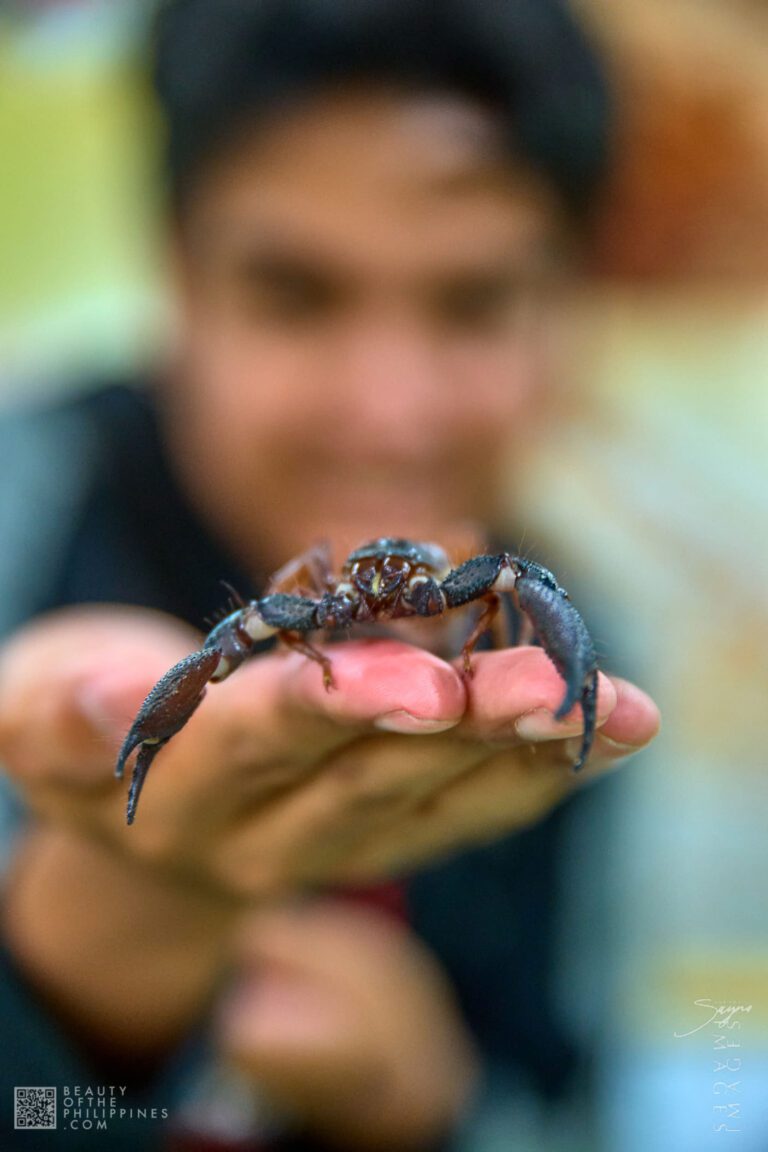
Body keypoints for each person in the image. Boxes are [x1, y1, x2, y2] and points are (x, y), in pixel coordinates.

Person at [0, 1, 660, 1148]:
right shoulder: (29, 507)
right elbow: (263, 618)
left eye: (474, 301)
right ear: (176, 278)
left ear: (568, 307)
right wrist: (101, 958)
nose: (387, 414)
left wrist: (432, 1107)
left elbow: (597, 1101)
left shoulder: (579, 636)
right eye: (296, 293)